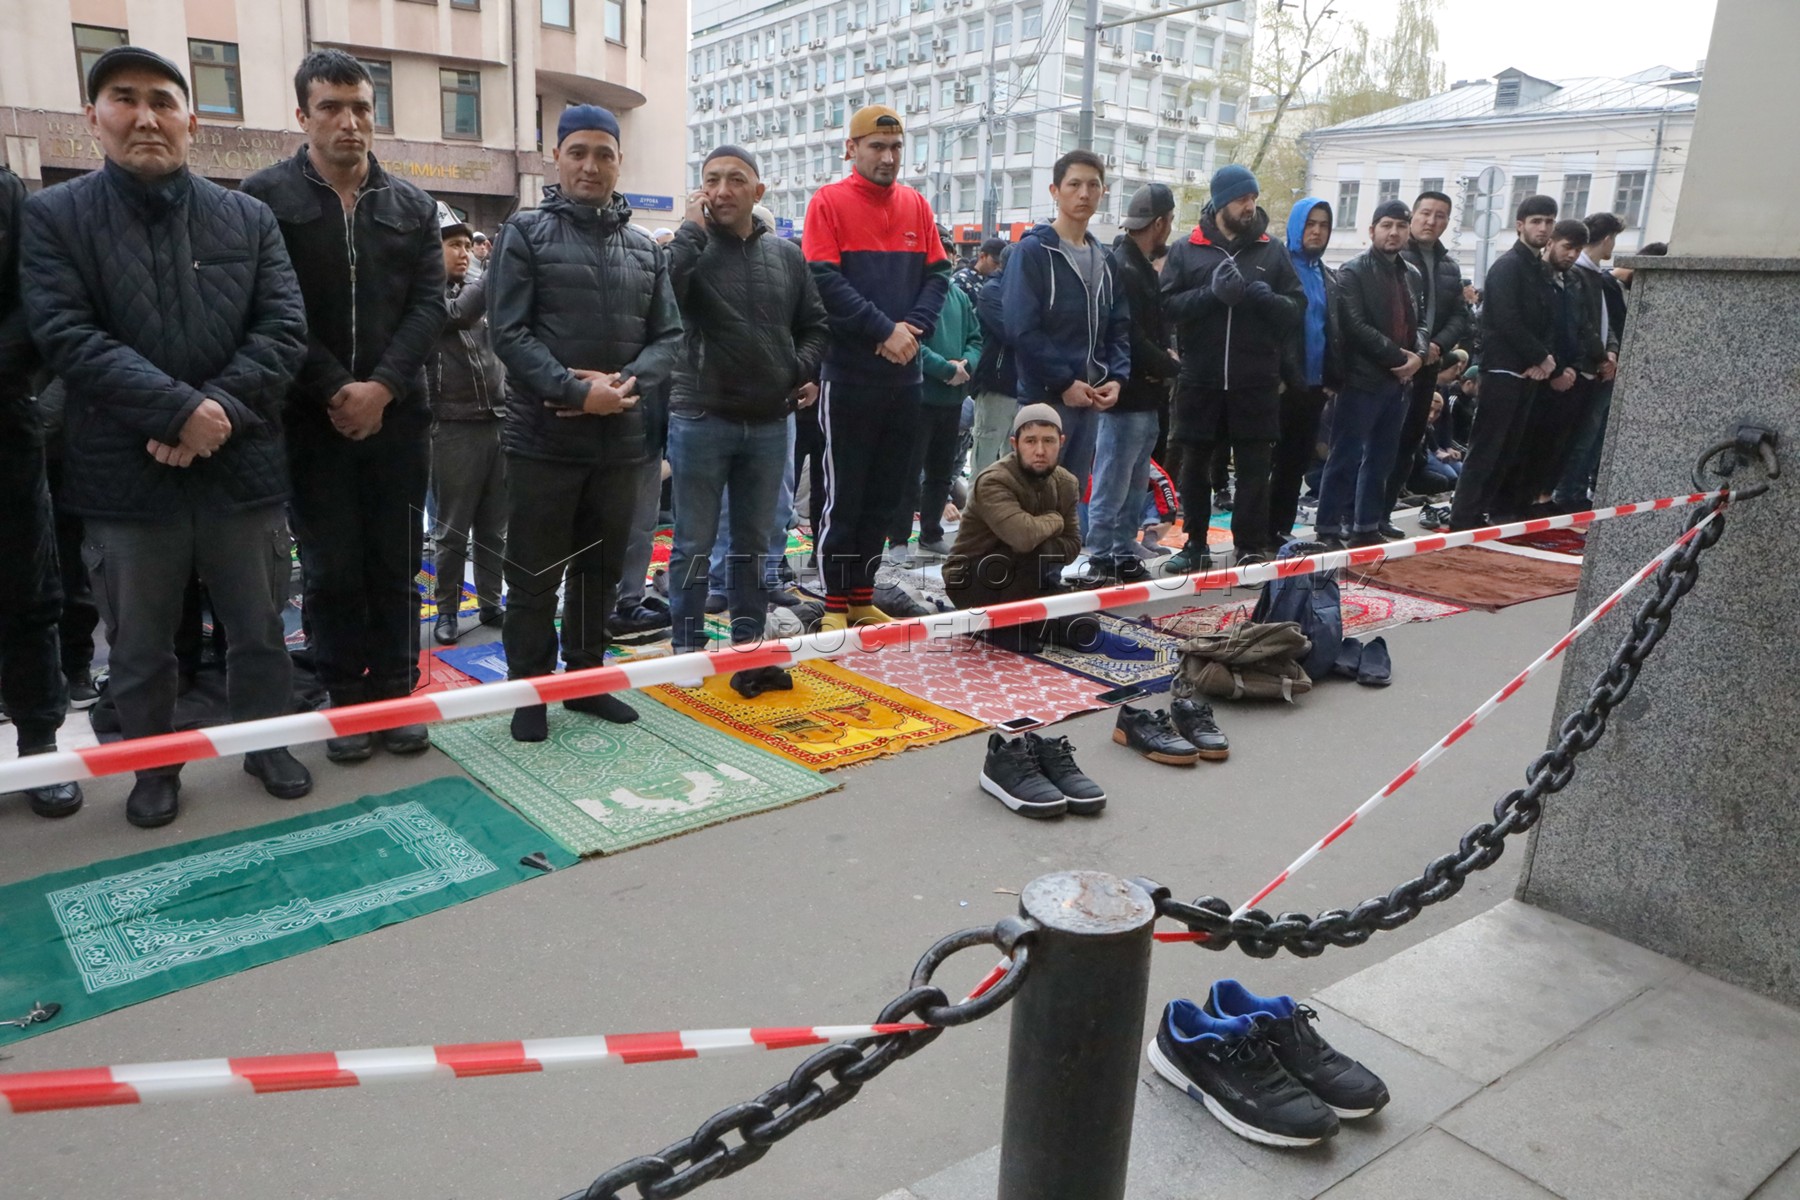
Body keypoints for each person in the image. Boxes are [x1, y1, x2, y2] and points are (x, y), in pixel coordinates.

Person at [24, 46, 310, 826]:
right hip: (126, 478)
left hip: (240, 469)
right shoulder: (55, 217)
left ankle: (266, 743)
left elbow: (284, 329)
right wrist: (175, 412)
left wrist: (214, 411)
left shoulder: (246, 217)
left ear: (192, 120)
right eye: (125, 99)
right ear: (93, 118)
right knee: (140, 645)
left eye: (162, 100)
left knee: (261, 630)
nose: (145, 117)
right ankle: (153, 767)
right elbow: (66, 335)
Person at [242, 50, 445, 763]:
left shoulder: (413, 205)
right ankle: (346, 698)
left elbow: (429, 307)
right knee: (330, 567)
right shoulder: (264, 200)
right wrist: (335, 388)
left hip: (400, 415)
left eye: (360, 107)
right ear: (302, 116)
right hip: (310, 417)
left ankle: (394, 693)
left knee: (396, 560)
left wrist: (382, 389)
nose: (349, 122)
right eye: (331, 107)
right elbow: (272, 310)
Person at [487, 104, 681, 742]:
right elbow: (509, 332)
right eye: (578, 152)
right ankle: (531, 692)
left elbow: (668, 338)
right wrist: (575, 390)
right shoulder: (525, 233)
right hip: (543, 440)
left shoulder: (645, 250)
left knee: (599, 572)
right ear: (558, 158)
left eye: (603, 154)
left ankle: (586, 680)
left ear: (619, 161)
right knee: (535, 573)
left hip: (618, 439)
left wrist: (622, 387)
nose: (590, 166)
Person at [665, 145, 827, 694]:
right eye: (711, 179)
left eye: (736, 179)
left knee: (755, 543)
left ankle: (748, 649)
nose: (722, 190)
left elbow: (815, 324)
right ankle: (686, 648)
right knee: (692, 542)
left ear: (758, 191)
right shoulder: (690, 248)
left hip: (767, 422)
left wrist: (797, 369)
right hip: (700, 416)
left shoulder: (786, 256)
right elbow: (664, 299)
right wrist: (689, 232)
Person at [802, 104, 950, 630]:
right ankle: (834, 604)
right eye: (877, 147)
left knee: (885, 496)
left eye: (895, 148)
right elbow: (824, 281)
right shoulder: (828, 202)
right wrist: (884, 331)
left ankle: (862, 596)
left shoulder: (916, 205)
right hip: (849, 377)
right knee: (843, 497)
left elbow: (939, 276)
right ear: (852, 149)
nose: (888, 157)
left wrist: (911, 329)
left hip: (904, 378)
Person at [1160, 165, 1304, 570]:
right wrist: (1211, 295)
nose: (1249, 205)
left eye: (1253, 198)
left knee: (1254, 470)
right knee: (1195, 467)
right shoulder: (1187, 249)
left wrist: (1265, 298)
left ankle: (1249, 545)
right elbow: (1167, 307)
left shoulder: (1272, 250)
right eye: (1242, 198)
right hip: (1200, 379)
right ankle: (1195, 545)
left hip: (1255, 381)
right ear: (1221, 201)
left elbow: (1296, 308)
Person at [1, 165, 83, 822]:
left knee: (26, 597)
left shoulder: (7, 196)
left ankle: (40, 746)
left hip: (4, 424)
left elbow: (37, 305)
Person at [1003, 149, 1130, 535]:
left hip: (1089, 400)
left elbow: (1119, 326)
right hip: (1045, 399)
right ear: (1055, 191)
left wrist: (1117, 377)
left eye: (1093, 185)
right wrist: (1063, 382)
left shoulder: (1105, 259)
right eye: (1074, 184)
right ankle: (1025, 570)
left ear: (1103, 192)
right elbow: (1021, 328)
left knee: (1067, 500)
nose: (1084, 193)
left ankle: (1055, 567)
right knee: (1032, 500)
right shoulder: (1033, 252)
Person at [1314, 200, 1424, 549]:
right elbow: (1354, 325)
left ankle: (1366, 526)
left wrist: (1419, 357)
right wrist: (1400, 358)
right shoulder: (1353, 271)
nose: (1394, 233)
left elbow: (1420, 324)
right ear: (1372, 230)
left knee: (1381, 460)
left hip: (1399, 382)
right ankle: (1328, 528)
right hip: (1361, 380)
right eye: (1387, 225)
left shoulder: (1411, 273)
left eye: (1401, 226)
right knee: (1345, 457)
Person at [1447, 195, 1561, 531]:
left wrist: (1543, 360)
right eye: (1536, 221)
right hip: (1501, 370)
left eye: (1549, 221)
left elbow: (1548, 319)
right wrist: (1540, 356)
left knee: (1509, 450)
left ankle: (1484, 513)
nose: (1543, 228)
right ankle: (1462, 518)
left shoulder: (1540, 268)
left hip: (1528, 372)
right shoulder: (1507, 266)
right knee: (1486, 448)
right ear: (1520, 225)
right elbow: (1506, 320)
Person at [942, 405, 1095, 653]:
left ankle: (1012, 622)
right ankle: (1003, 627)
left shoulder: (1066, 483)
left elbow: (1073, 546)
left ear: (1061, 442)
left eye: (1048, 441)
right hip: (973, 579)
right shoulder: (994, 480)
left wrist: (1040, 535)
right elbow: (1023, 538)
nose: (1040, 451)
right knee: (1029, 547)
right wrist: (1055, 520)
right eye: (1030, 441)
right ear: (1015, 444)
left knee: (1084, 628)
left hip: (1031, 578)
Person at [1085, 182, 1177, 582]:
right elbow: (1130, 335)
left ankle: (1121, 550)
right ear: (1159, 223)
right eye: (1169, 221)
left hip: (1142, 392)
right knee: (1114, 480)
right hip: (1127, 393)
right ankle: (1102, 554)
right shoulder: (1125, 266)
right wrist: (1167, 363)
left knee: (1133, 481)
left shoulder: (1134, 264)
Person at [425, 202, 506, 647]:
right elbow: (457, 316)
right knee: (453, 529)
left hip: (496, 419)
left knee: (494, 526)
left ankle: (491, 602)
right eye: (452, 245)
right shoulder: (423, 293)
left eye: (464, 244)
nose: (462, 252)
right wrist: (495, 272)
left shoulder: (473, 288)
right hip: (453, 424)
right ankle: (447, 611)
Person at [890, 229, 982, 562]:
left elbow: (976, 338)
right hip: (918, 397)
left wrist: (966, 363)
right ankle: (898, 539)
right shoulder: (910, 293)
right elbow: (911, 343)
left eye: (949, 252)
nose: (945, 258)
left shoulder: (959, 297)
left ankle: (931, 534)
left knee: (941, 474)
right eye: (938, 251)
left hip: (953, 399)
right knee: (907, 473)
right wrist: (945, 369)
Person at [1385, 190, 1471, 533]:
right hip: (1396, 365)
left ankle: (1383, 513)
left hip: (1430, 365)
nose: (1431, 221)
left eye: (1440, 215)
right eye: (1425, 213)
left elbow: (1460, 317)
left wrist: (1437, 345)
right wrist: (1417, 350)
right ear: (1413, 216)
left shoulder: (1449, 265)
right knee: (1382, 443)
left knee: (1409, 441)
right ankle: (1360, 515)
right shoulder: (1394, 256)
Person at [1505, 217, 1599, 516]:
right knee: (1526, 444)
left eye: (1578, 250)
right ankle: (1515, 503)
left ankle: (1540, 497)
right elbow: (1538, 327)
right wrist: (1554, 369)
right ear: (1551, 243)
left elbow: (1582, 327)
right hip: (1538, 373)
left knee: (1555, 445)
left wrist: (1577, 366)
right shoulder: (1536, 275)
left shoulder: (1575, 280)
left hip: (1569, 374)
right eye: (1567, 247)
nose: (1572, 255)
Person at [1272, 197, 1338, 549]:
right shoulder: (1280, 267)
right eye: (1310, 224)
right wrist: (1280, 375)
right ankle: (1257, 533)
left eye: (1323, 225)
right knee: (1270, 463)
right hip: (1282, 385)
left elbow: (1331, 330)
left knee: (1296, 461)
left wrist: (1331, 378)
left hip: (1314, 386)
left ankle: (1280, 528)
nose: (1316, 231)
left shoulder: (1327, 275)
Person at [1553, 211, 1627, 511]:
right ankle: (1565, 491)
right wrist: (1601, 357)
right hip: (1582, 368)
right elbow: (1582, 324)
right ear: (1607, 239)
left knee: (1590, 436)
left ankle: (1574, 489)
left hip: (1597, 365)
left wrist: (1612, 351)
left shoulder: (1596, 275)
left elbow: (1606, 324)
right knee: (1578, 437)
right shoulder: (1578, 275)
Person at [969, 241, 1018, 472]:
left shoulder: (1026, 290)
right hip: (996, 383)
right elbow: (1011, 333)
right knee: (984, 465)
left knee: (1015, 465)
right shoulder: (992, 291)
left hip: (1023, 386)